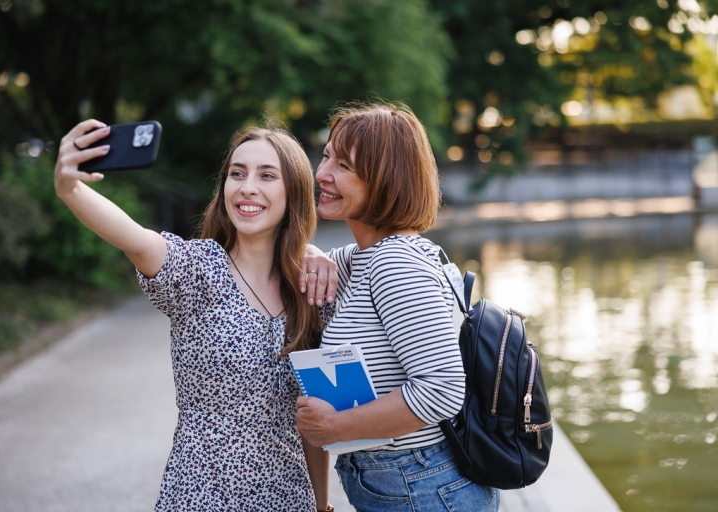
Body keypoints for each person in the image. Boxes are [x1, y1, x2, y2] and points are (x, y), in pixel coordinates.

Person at [54, 120, 337, 511]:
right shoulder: (197, 270)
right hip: (200, 494)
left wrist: (322, 505)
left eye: (267, 175)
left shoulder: (312, 291)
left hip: (287, 498)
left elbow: (314, 418)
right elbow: (134, 236)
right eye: (236, 174)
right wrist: (70, 187)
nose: (247, 187)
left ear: (294, 193)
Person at [296, 103, 500, 512]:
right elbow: (276, 258)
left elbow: (441, 390)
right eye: (326, 156)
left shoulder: (396, 263)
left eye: (343, 165)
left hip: (423, 488)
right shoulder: (363, 257)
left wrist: (334, 427)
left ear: (386, 180)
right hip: (404, 483)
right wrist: (308, 250)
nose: (322, 174)